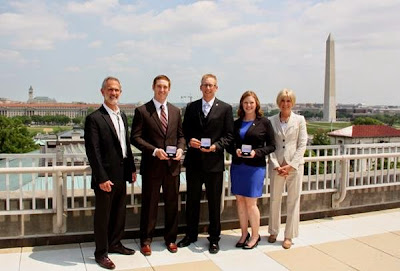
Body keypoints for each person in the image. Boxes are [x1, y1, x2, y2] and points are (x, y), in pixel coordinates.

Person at [177, 74, 234, 254]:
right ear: (200, 88)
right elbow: (184, 131)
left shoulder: (225, 108)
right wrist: (189, 140)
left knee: (214, 203)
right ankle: (191, 234)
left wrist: (216, 146)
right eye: (205, 85)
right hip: (194, 162)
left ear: (216, 88)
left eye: (211, 85)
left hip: (214, 164)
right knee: (192, 201)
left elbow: (229, 136)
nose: (208, 88)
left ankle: (214, 238)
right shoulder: (191, 107)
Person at [84, 76, 137, 270]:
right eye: (110, 90)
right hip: (105, 175)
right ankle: (101, 253)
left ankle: (115, 243)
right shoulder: (94, 118)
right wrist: (101, 177)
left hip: (122, 173)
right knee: (103, 216)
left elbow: (126, 145)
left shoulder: (121, 115)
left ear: (120, 92)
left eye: (116, 90)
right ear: (102, 92)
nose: (113, 93)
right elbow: (93, 151)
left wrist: (132, 168)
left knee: (119, 212)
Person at [131, 75, 185, 256]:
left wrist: (180, 149)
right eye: (159, 87)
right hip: (152, 167)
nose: (162, 90)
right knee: (149, 205)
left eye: (165, 87)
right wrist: (154, 151)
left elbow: (181, 136)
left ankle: (171, 239)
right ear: (153, 87)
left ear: (169, 89)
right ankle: (146, 241)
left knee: (172, 204)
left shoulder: (176, 111)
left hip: (172, 166)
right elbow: (135, 138)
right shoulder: (142, 111)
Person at [228, 91, 275, 249]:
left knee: (251, 203)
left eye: (251, 103)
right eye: (245, 102)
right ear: (242, 104)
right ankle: (243, 234)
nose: (248, 105)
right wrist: (235, 151)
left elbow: (271, 145)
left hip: (254, 168)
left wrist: (257, 152)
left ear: (256, 104)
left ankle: (255, 235)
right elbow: (230, 143)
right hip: (238, 166)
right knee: (240, 201)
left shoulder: (264, 122)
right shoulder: (236, 123)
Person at [267, 88, 307, 249]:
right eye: (283, 100)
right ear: (278, 102)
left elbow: (302, 143)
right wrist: (277, 165)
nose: (285, 103)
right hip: (277, 166)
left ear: (293, 102)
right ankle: (273, 231)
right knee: (275, 199)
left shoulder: (300, 120)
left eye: (288, 100)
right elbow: (269, 145)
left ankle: (289, 235)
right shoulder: (271, 121)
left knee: (293, 201)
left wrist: (291, 165)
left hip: (294, 167)